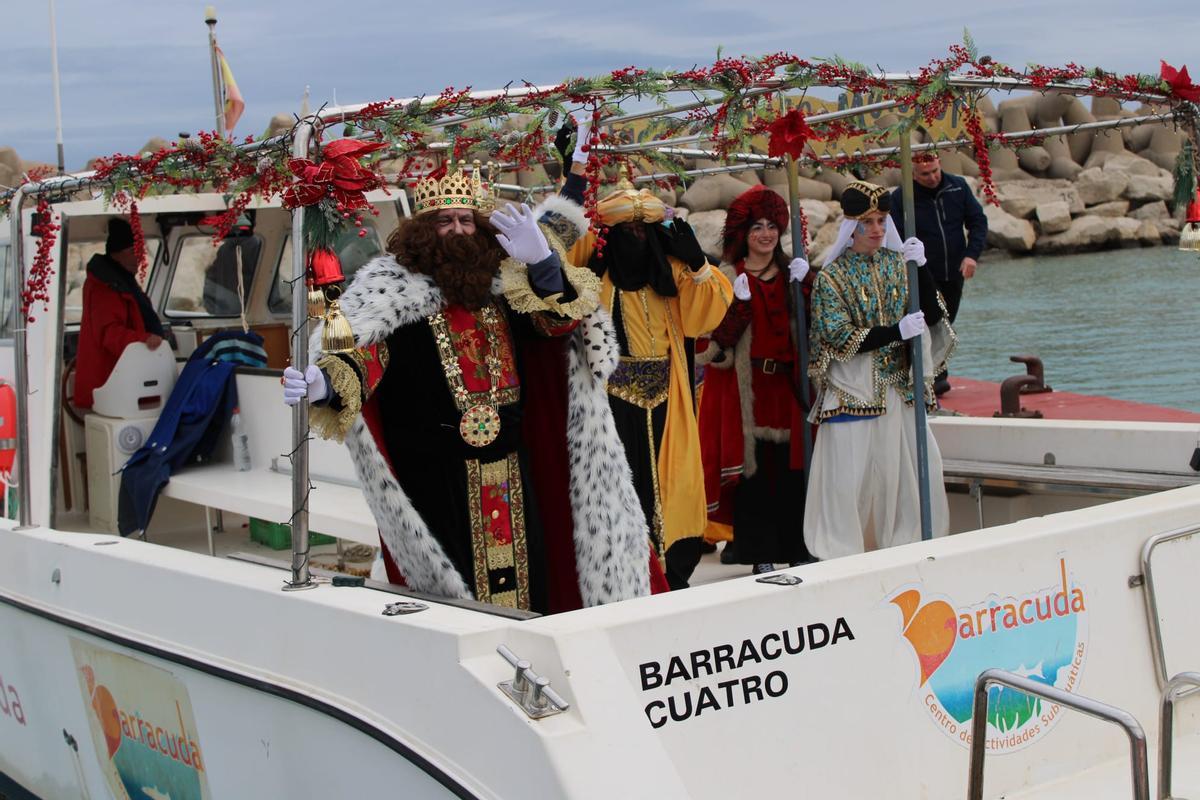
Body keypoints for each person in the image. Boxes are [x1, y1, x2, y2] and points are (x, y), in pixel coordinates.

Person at [283, 164, 655, 613]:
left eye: (465, 220)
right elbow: (364, 355)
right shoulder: (390, 289)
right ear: (423, 230)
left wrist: (544, 264)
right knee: (453, 596)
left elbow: (557, 326)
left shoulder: (504, 285)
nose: (457, 230)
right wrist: (324, 383)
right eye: (444, 221)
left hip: (515, 465)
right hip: (436, 474)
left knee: (533, 576)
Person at [553, 123, 733, 590]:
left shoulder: (670, 270)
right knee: (618, 486)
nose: (635, 236)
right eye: (625, 230)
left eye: (642, 229)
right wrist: (569, 173)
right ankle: (625, 573)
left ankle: (672, 571)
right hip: (607, 397)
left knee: (675, 487)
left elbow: (705, 318)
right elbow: (555, 242)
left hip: (668, 394)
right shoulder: (593, 263)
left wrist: (697, 262)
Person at [805, 181, 955, 560]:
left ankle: (908, 545)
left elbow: (935, 316)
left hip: (898, 391)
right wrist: (894, 332)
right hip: (854, 392)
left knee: (908, 476)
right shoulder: (831, 278)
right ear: (850, 227)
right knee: (853, 480)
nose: (877, 229)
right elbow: (836, 335)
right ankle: (848, 553)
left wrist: (922, 268)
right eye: (868, 221)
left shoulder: (898, 265)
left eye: (882, 220)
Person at [696, 185, 816, 574]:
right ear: (743, 233)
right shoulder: (726, 278)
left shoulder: (795, 273)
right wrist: (739, 309)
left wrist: (809, 285)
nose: (765, 234)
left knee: (793, 470)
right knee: (755, 475)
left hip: (788, 387)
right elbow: (711, 350)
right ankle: (759, 551)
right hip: (745, 392)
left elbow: (818, 330)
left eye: (770, 226)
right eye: (756, 227)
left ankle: (799, 546)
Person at [889, 153, 986, 395]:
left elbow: (977, 222)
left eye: (934, 171)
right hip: (922, 273)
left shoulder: (958, 186)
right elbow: (895, 236)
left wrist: (972, 254)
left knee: (946, 320)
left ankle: (935, 370)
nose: (932, 177)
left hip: (954, 270)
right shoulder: (901, 197)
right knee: (930, 321)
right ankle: (935, 376)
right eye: (924, 174)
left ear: (940, 165)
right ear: (912, 174)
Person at [74, 218, 168, 410]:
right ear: (116, 254)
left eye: (140, 252)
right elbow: (110, 334)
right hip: (110, 381)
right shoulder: (104, 287)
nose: (139, 258)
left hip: (128, 375)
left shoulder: (121, 281)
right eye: (133, 252)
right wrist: (144, 338)